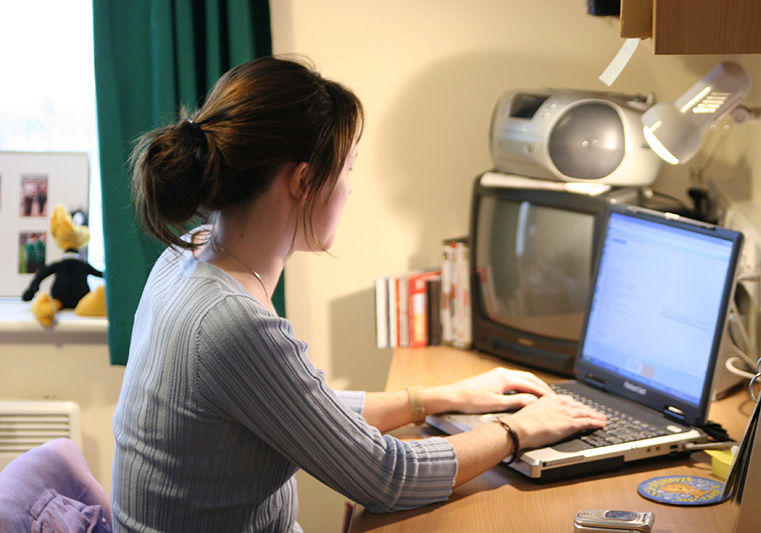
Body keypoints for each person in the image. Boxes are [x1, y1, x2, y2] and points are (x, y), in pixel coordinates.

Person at [112, 55, 606, 533]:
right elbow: (389, 479)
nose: (351, 188)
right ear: (303, 180)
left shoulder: (190, 255)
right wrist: (519, 431)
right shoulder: (231, 323)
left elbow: (296, 405)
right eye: (348, 168)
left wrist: (437, 398)